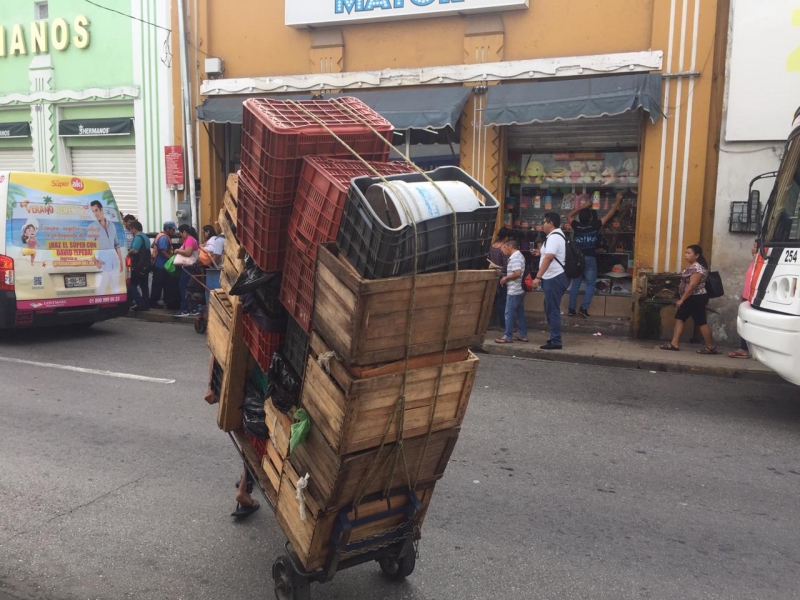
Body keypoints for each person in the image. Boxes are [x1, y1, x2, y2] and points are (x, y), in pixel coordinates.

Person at [567, 193, 624, 318]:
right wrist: (618, 200)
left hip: (578, 259)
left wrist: (582, 207)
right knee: (591, 284)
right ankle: (583, 309)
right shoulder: (594, 225)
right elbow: (609, 215)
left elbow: (569, 215)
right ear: (591, 218)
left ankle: (571, 310)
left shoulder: (576, 226)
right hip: (590, 259)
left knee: (575, 284)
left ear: (580, 218)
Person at [660, 245, 718, 354]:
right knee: (680, 318)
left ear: (696, 255)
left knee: (701, 322)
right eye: (686, 253)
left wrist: (682, 300)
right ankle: (674, 343)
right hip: (689, 298)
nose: (686, 255)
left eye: (689, 253)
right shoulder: (691, 267)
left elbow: (692, 286)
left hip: (695, 298)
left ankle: (711, 347)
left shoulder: (697, 268)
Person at [531, 213, 569, 350]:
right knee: (549, 308)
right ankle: (554, 337)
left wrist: (537, 277)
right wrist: (539, 253)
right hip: (553, 277)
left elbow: (549, 258)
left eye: (544, 222)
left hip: (554, 277)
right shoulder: (556, 236)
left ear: (551, 223)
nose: (542, 225)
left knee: (552, 310)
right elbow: (548, 255)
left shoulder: (554, 237)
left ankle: (556, 341)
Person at [729, 238, 759, 358]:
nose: (752, 249)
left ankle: (744, 349)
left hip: (753, 299)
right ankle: (745, 348)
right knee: (744, 323)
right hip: (747, 298)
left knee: (748, 323)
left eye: (755, 247)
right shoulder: (754, 262)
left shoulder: (762, 264)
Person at [495, 239, 528, 344]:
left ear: (510, 247)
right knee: (519, 313)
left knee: (508, 312)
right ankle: (523, 335)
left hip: (514, 290)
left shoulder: (515, 258)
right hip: (519, 289)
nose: (503, 250)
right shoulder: (519, 256)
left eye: (504, 247)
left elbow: (517, 273)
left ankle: (507, 336)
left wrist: (506, 278)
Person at [88, 200, 124, 295]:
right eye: (93, 211)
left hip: (114, 263)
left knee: (116, 289)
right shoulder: (92, 227)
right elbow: (88, 247)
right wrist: (96, 262)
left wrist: (121, 262)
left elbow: (117, 245)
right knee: (100, 290)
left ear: (101, 209)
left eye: (96, 210)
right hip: (102, 264)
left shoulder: (112, 225)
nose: (95, 213)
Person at [488, 227, 512, 330]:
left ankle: (488, 323)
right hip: (503, 276)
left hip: (492, 274)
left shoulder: (492, 246)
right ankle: (503, 325)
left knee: (492, 300)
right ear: (506, 238)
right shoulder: (503, 248)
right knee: (502, 300)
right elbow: (507, 265)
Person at [174, 224, 200, 317]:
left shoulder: (189, 240)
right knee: (189, 289)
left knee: (183, 288)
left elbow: (188, 253)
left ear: (184, 232)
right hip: (190, 267)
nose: (181, 235)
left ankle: (185, 309)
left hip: (188, 267)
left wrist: (177, 251)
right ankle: (193, 309)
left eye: (181, 233)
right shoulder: (193, 239)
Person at [149, 221, 176, 309]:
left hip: (159, 264)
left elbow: (153, 245)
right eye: (172, 229)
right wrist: (171, 259)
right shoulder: (164, 238)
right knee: (159, 284)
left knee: (162, 284)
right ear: (167, 229)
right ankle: (153, 302)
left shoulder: (159, 235)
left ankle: (163, 301)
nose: (174, 232)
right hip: (161, 265)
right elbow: (162, 251)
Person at [127, 220, 151, 311]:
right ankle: (145, 304)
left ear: (134, 229)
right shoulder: (145, 237)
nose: (131, 232)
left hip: (138, 265)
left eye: (131, 229)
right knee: (144, 286)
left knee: (132, 285)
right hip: (145, 265)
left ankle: (139, 302)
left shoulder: (138, 237)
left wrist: (127, 253)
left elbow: (135, 250)